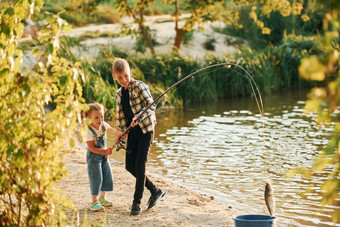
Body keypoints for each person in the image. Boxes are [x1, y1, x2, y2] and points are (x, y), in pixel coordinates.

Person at [112, 58, 166, 215]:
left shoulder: (140, 86)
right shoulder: (119, 94)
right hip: (132, 132)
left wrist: (139, 116)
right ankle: (155, 190)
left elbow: (152, 106)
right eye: (120, 77)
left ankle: (137, 202)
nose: (124, 80)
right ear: (115, 77)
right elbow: (120, 116)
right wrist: (119, 134)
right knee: (129, 165)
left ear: (130, 73)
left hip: (145, 129)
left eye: (126, 76)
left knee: (140, 163)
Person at [84, 102, 123, 211]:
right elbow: (91, 148)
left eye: (101, 116)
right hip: (94, 158)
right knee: (96, 178)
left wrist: (119, 134)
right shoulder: (88, 130)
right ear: (87, 118)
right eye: (96, 117)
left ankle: (102, 198)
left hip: (104, 157)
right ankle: (94, 201)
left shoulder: (103, 125)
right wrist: (105, 150)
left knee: (107, 176)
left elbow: (112, 130)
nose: (100, 119)